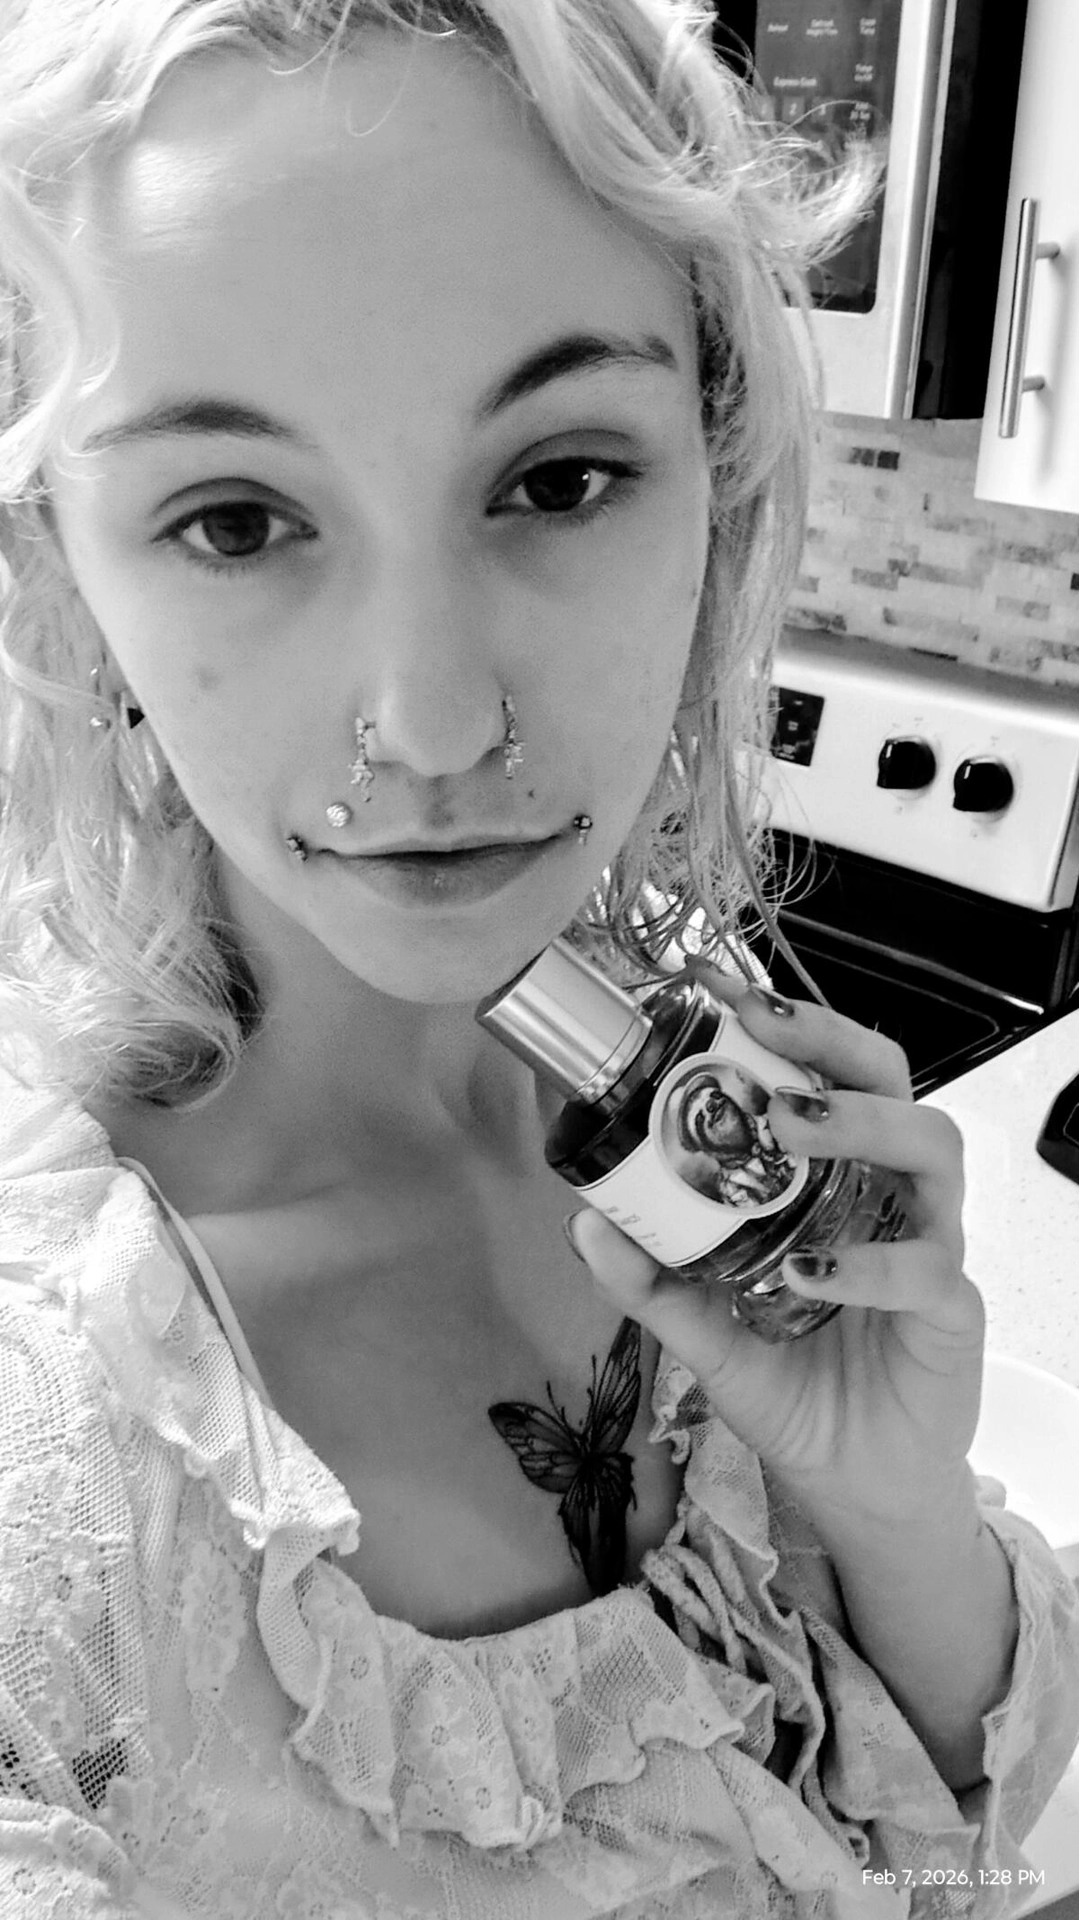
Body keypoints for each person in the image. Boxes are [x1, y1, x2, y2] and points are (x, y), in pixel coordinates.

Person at [0, 2, 1077, 1915]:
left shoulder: (701, 1104)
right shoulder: (57, 1453)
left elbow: (955, 1844)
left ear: (712, 491)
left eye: (558, 479)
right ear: (64, 572)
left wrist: (888, 1502)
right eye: (236, 521)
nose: (430, 725)